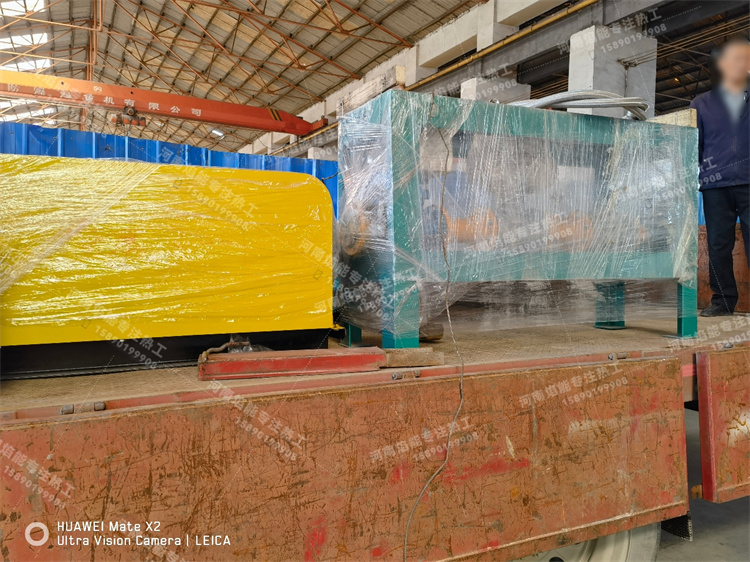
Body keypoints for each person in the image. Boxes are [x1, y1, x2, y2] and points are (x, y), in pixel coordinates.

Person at [690, 37, 750, 317]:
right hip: (715, 185)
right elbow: (695, 146)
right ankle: (723, 302)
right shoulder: (700, 104)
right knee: (718, 244)